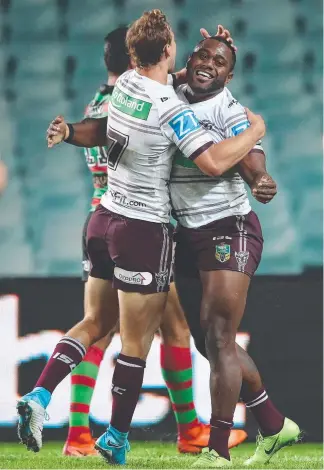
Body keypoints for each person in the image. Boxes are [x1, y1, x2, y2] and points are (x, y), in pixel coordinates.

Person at [17, 10, 264, 465]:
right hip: (143, 229)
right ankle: (119, 437)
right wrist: (254, 130)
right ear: (168, 53)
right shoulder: (172, 107)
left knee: (96, 324)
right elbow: (211, 163)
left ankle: (40, 396)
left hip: (101, 217)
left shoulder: (124, 86)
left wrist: (69, 130)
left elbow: (109, 123)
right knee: (138, 341)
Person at [169, 36, 301, 467]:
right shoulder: (168, 93)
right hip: (185, 234)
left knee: (221, 337)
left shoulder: (228, 111)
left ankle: (218, 451)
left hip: (230, 227)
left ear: (230, 74)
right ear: (188, 61)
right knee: (208, 343)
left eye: (220, 61)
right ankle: (276, 425)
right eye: (203, 56)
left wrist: (261, 179)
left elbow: (252, 163)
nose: (210, 64)